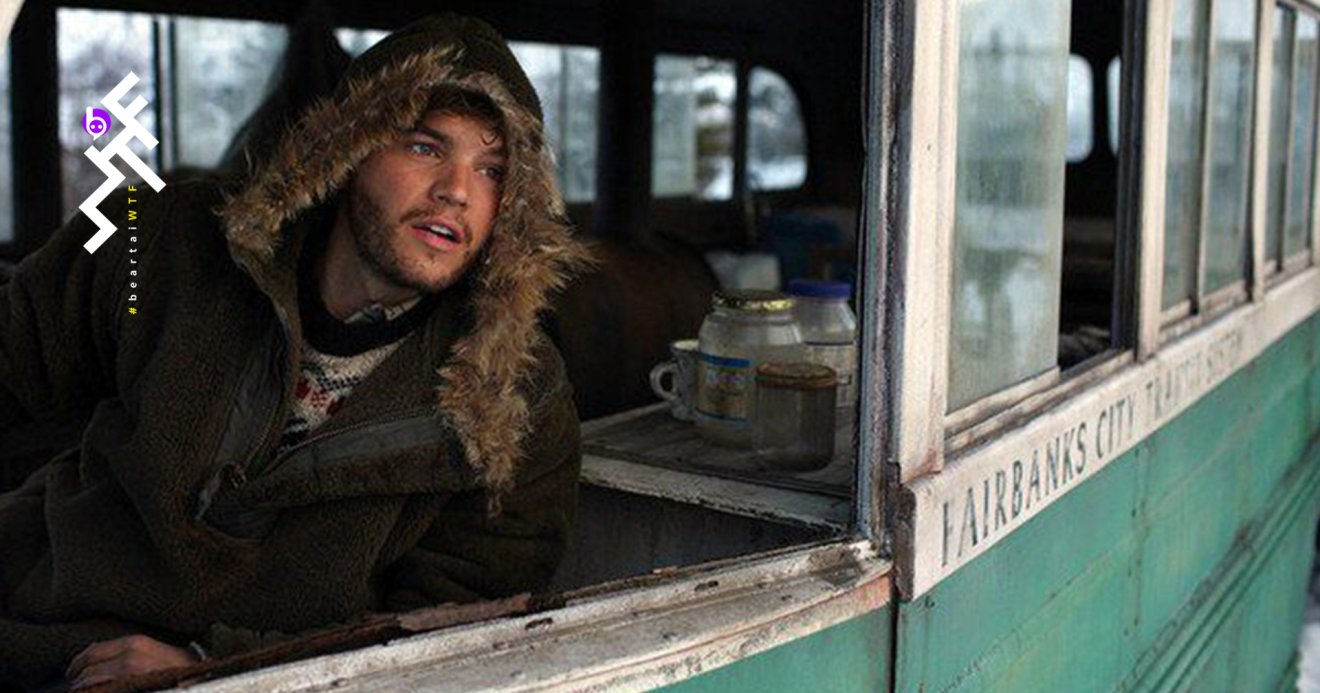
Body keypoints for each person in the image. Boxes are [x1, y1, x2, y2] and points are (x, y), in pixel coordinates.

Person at [0, 13, 591, 689]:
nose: (458, 190)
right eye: (427, 147)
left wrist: (223, 665)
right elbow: (15, 361)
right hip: (39, 637)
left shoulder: (515, 396)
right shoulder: (167, 247)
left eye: (492, 169)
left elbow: (451, 635)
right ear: (347, 148)